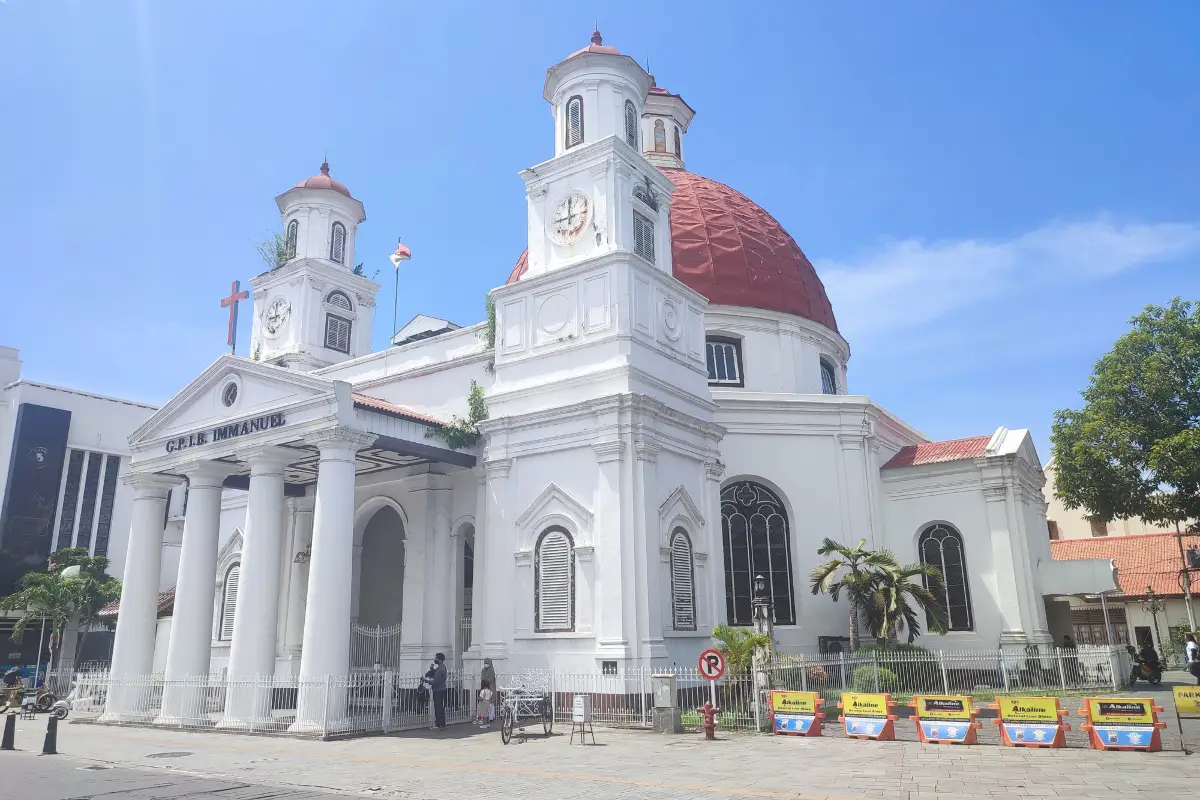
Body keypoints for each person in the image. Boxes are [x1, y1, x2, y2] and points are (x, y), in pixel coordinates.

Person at [422, 652, 447, 730]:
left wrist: (426, 680)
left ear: (440, 660)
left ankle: (438, 723)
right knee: (441, 707)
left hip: (438, 689)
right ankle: (442, 723)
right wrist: (431, 669)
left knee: (438, 707)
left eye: (436, 658)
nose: (435, 659)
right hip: (442, 689)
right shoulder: (443, 667)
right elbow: (434, 673)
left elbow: (435, 681)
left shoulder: (440, 669)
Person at [481, 657, 497, 725]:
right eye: (485, 663)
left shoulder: (492, 671)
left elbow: (491, 679)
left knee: (491, 704)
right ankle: (485, 717)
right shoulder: (483, 670)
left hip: (490, 688)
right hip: (485, 688)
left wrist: (487, 681)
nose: (486, 664)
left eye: (487, 663)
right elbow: (482, 678)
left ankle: (491, 717)